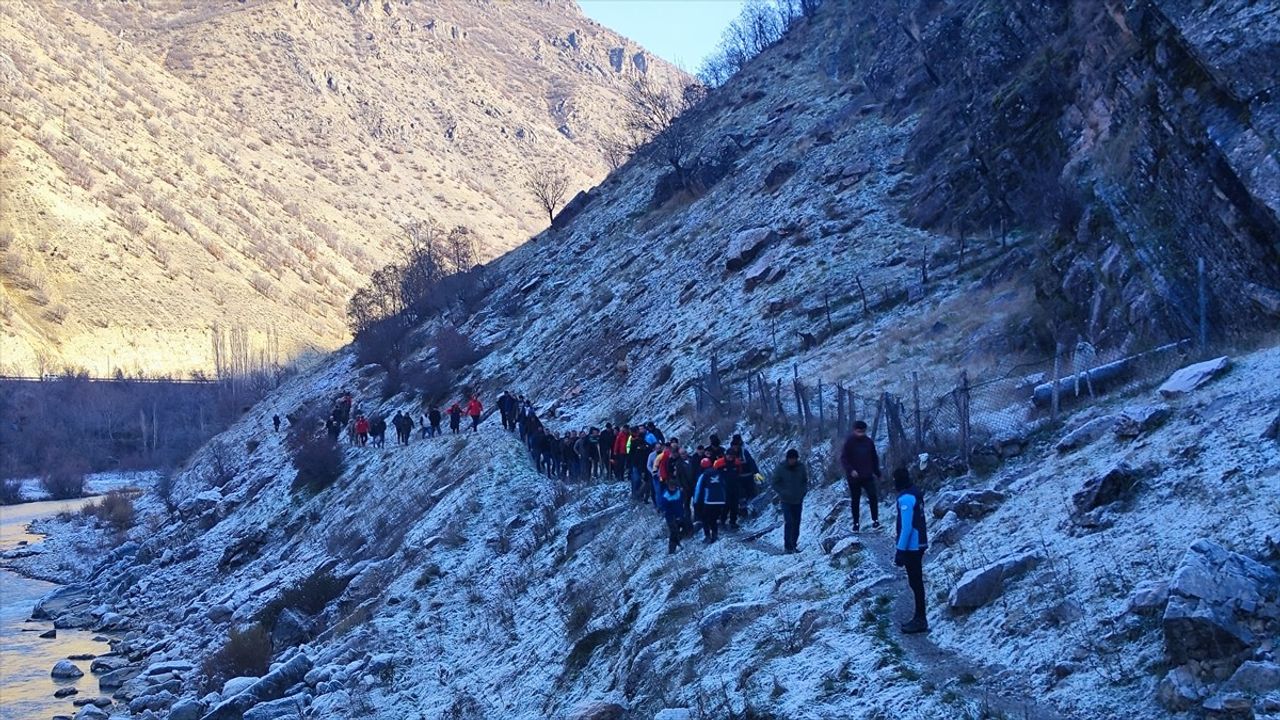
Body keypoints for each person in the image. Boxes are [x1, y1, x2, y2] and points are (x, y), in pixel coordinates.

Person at [892, 467, 929, 634]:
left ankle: (920, 619)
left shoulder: (906, 498)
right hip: (920, 542)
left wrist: (900, 550)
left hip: (911, 546)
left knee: (915, 582)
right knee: (916, 581)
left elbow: (906, 527)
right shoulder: (916, 493)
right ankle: (920, 617)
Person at [841, 420, 881, 531]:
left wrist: (877, 471)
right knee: (855, 500)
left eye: (863, 432)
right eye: (859, 432)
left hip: (867, 474)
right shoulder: (849, 442)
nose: (861, 434)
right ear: (854, 431)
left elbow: (874, 457)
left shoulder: (868, 442)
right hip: (854, 477)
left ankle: (875, 520)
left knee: (872, 496)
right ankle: (856, 523)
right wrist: (851, 470)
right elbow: (844, 459)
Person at [771, 448, 808, 554]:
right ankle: (787, 546)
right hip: (785, 500)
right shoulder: (781, 468)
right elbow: (774, 483)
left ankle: (794, 545)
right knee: (789, 522)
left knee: (797, 523)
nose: (793, 461)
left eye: (795, 459)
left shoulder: (801, 467)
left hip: (798, 500)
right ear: (787, 459)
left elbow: (805, 480)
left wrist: (803, 491)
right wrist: (782, 492)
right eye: (791, 459)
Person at [693, 458, 728, 543]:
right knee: (713, 518)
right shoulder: (718, 473)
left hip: (709, 501)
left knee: (705, 518)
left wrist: (695, 502)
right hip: (720, 500)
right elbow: (724, 485)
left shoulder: (704, 475)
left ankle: (707, 536)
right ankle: (715, 534)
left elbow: (698, 489)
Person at [659, 478, 685, 554]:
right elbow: (665, 508)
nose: (673, 488)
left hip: (680, 514)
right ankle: (672, 549)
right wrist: (673, 516)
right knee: (674, 532)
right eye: (672, 487)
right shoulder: (665, 496)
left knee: (681, 529)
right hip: (671, 517)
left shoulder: (679, 492)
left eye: (674, 487)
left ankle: (678, 541)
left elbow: (681, 501)